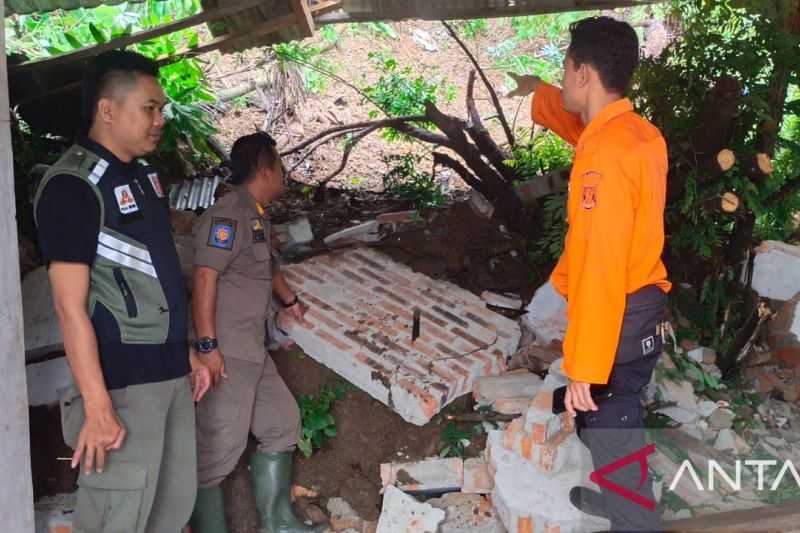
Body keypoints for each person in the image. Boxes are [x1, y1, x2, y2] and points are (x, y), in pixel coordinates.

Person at [34, 50, 210, 533]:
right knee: (119, 515)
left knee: (169, 509)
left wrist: (184, 352)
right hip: (122, 387)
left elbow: (155, 275)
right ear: (108, 110)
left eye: (162, 108)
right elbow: (70, 309)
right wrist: (97, 404)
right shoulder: (73, 186)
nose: (160, 120)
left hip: (169, 374)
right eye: (149, 108)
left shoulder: (142, 176)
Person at [508, 16, 670, 532]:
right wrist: (537, 94)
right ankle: (623, 499)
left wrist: (584, 365)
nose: (561, 77)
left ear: (583, 74)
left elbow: (601, 265)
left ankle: (635, 518)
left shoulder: (604, 156)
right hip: (644, 309)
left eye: (564, 68)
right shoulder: (637, 134)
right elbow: (580, 124)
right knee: (612, 420)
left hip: (618, 314)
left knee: (606, 418)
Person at [189, 131, 324, 533]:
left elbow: (266, 269)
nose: (284, 173)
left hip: (252, 349)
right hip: (226, 352)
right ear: (265, 169)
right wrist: (209, 346)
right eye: (280, 166)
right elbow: (204, 277)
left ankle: (277, 524)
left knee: (282, 422)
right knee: (215, 450)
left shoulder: (256, 214)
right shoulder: (227, 216)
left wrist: (291, 301)